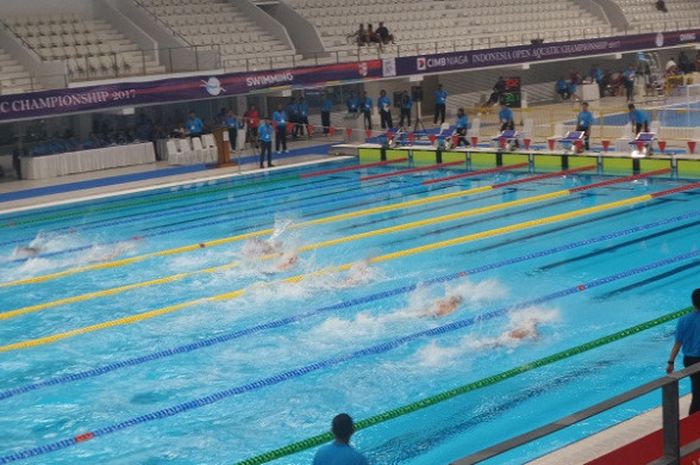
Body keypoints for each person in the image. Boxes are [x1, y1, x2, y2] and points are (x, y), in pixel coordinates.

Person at [666, 289, 700, 415]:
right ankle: (693, 420)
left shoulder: (683, 320)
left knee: (697, 391)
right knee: (698, 394)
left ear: (693, 303)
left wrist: (670, 362)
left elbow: (677, 343)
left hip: (689, 361)